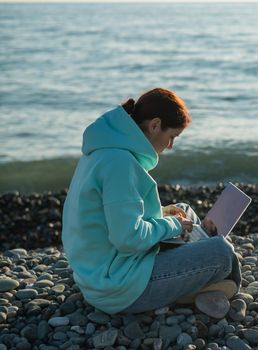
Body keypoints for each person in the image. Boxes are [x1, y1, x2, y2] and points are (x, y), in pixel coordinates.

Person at [62, 87, 241, 316]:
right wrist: (172, 225)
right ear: (155, 125)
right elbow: (128, 238)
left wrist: (165, 214)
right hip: (117, 288)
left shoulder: (104, 151)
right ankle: (196, 283)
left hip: (101, 272)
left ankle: (198, 257)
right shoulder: (120, 164)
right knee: (222, 253)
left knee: (184, 211)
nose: (170, 146)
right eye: (171, 137)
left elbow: (111, 216)